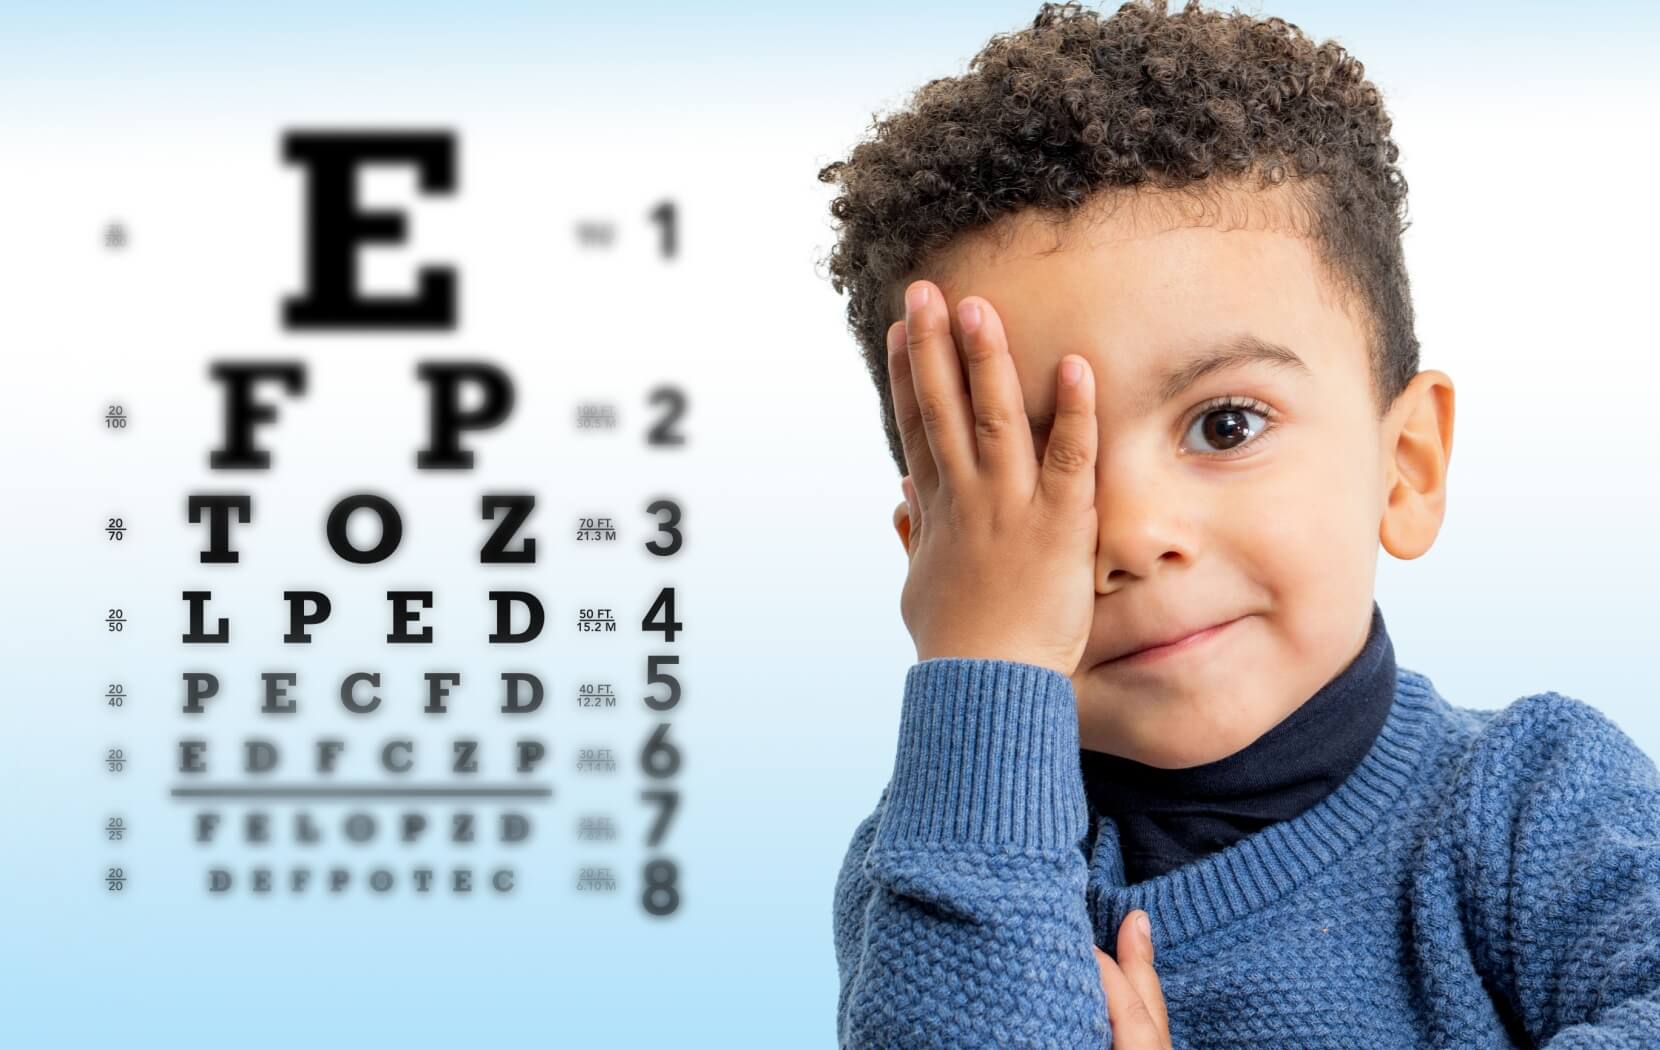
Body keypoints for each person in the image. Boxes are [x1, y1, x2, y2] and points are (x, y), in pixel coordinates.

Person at [814, 2, 1660, 1046]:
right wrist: (986, 670)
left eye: (1225, 424)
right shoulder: (942, 865)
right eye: (1037, 474)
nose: (1130, 533)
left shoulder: (1537, 801)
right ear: (939, 570)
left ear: (1405, 467)